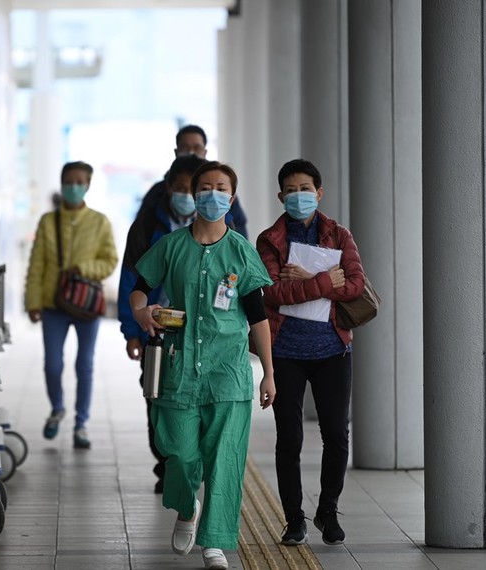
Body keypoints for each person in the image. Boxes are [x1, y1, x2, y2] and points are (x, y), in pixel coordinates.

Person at [129, 161, 275, 569]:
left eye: (221, 187)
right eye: (206, 187)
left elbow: (259, 317)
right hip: (179, 367)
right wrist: (143, 313)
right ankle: (186, 507)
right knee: (178, 452)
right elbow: (139, 290)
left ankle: (215, 543)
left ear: (232, 196)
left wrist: (269, 372)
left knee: (225, 457)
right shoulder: (172, 246)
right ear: (194, 195)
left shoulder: (241, 251)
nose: (213, 194)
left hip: (228, 372)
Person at [119, 153, 247, 494]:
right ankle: (170, 465)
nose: (206, 195)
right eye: (195, 188)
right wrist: (133, 326)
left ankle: (190, 471)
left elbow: (250, 295)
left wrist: (266, 364)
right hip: (160, 331)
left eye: (217, 188)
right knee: (158, 396)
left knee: (209, 412)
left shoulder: (230, 237)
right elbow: (133, 281)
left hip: (214, 341)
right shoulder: (151, 227)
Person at [255, 158, 366, 547]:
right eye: (292, 190)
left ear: (319, 193)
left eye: (306, 189)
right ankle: (293, 519)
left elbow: (355, 285)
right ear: (281, 196)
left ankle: (328, 510)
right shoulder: (270, 240)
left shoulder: (338, 234)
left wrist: (306, 280)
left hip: (332, 350)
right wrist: (321, 281)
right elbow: (270, 291)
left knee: (336, 434)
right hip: (285, 351)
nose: (299, 196)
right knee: (290, 438)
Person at [24, 161, 118, 450]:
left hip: (86, 304)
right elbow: (36, 264)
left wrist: (84, 268)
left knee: (85, 365)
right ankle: (57, 409)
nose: (74, 187)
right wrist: (33, 301)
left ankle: (81, 424)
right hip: (54, 304)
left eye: (79, 182)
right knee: (53, 364)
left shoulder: (100, 221)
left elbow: (110, 260)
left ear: (88, 185)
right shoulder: (47, 222)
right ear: (62, 183)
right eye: (69, 181)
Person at [140, 125, 248, 238]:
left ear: (205, 152)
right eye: (185, 148)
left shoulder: (221, 195)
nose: (191, 152)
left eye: (197, 148)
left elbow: (239, 237)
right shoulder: (156, 193)